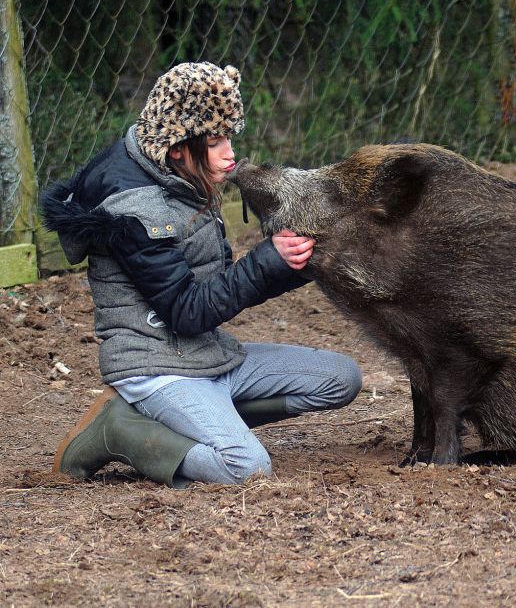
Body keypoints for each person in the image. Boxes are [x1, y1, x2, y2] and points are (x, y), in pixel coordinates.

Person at [41, 62, 362, 488]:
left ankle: (199, 418)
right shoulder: (137, 209)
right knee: (246, 468)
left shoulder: (178, 176)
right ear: (177, 147)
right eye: (215, 141)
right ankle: (121, 432)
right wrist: (265, 260)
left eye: (229, 136)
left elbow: (218, 285)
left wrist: (291, 263)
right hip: (157, 366)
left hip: (206, 356)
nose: (230, 153)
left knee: (341, 379)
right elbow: (187, 311)